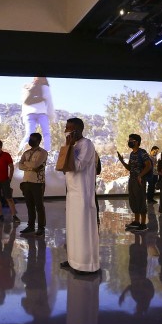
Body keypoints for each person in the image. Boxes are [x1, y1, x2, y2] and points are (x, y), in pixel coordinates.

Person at [59, 118, 100, 275]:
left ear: (78, 129)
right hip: (72, 193)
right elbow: (65, 168)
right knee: (72, 228)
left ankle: (86, 265)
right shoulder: (73, 145)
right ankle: (73, 261)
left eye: (70, 128)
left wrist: (69, 147)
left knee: (83, 228)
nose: (67, 130)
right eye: (66, 127)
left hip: (83, 193)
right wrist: (68, 147)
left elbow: (78, 166)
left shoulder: (87, 144)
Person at [117, 134, 151, 231]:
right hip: (132, 180)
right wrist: (122, 161)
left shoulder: (142, 152)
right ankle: (136, 221)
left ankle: (143, 224)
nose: (129, 141)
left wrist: (140, 176)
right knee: (133, 200)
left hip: (140, 181)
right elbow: (129, 168)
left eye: (131, 140)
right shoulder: (132, 154)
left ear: (137, 142)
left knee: (141, 200)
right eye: (129, 140)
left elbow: (148, 166)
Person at [18, 132, 48, 235]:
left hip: (38, 183)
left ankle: (41, 228)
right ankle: (30, 226)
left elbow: (36, 164)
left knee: (39, 206)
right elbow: (19, 165)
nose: (31, 140)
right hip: (26, 182)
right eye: (30, 138)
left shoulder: (43, 152)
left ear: (39, 141)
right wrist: (31, 166)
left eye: (33, 139)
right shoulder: (26, 152)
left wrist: (26, 164)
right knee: (29, 205)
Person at [0, 139, 20, 223]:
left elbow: (11, 167)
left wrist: (10, 178)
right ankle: (0, 215)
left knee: (9, 198)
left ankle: (14, 215)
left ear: (0, 146)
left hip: (5, 180)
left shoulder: (6, 155)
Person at [20, 76, 55, 152]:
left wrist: (23, 116)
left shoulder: (28, 87)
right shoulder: (45, 87)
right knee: (46, 134)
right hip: (42, 113)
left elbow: (24, 102)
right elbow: (50, 103)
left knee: (29, 133)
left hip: (28, 113)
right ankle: (47, 151)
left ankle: (21, 150)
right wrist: (52, 117)